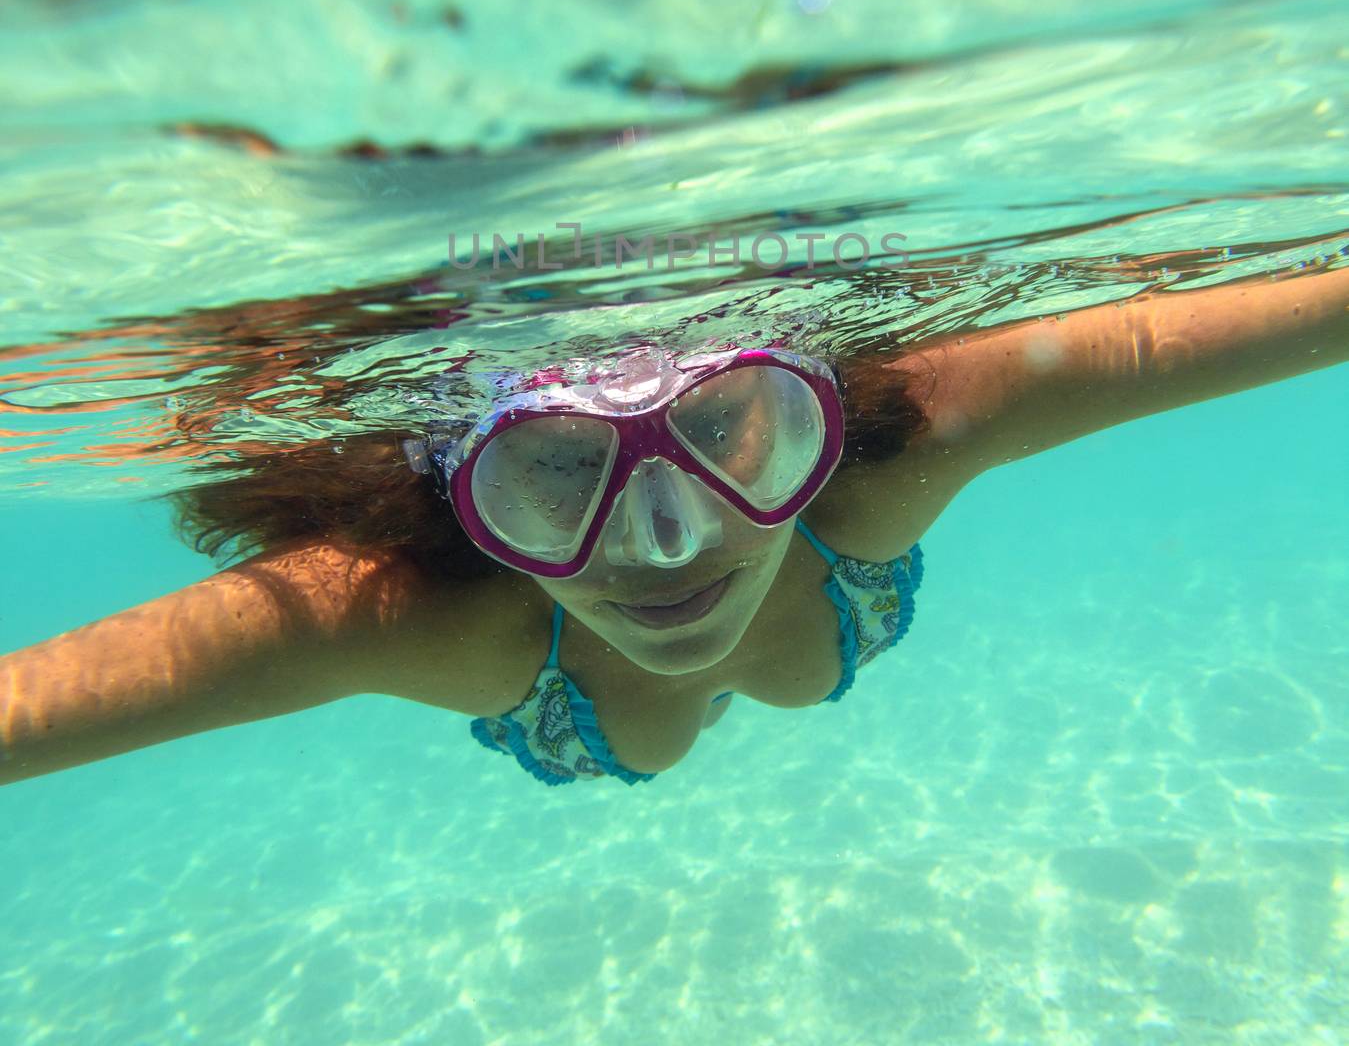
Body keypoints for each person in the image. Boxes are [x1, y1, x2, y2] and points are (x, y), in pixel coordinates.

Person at [1, 265, 1345, 788]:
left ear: (814, 421)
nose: (660, 546)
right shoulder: (434, 619)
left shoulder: (890, 452)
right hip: (581, 686)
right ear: (457, 494)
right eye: (553, 471)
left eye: (718, 431)